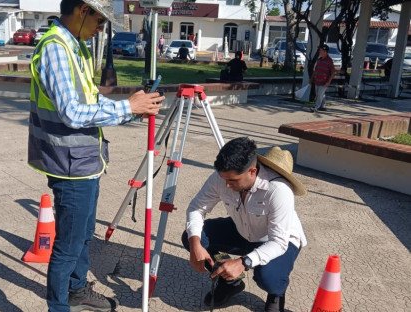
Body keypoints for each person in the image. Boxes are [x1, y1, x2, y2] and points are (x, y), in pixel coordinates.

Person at [28, 1, 165, 311]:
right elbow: (73, 113)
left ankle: (76, 291)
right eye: (100, 20)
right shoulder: (56, 49)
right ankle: (59, 306)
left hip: (84, 161)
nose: (102, 27)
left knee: (84, 236)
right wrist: (129, 107)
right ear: (81, 10)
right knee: (67, 247)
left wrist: (132, 110)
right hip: (69, 165)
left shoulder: (75, 47)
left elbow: (87, 100)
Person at [181, 137, 307, 312]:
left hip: (278, 240)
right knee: (193, 236)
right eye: (223, 178)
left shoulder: (279, 190)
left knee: (268, 278)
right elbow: (196, 208)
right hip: (242, 230)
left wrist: (243, 262)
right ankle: (230, 282)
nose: (226, 184)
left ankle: (276, 294)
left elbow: (279, 243)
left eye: (232, 181)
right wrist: (195, 244)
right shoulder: (223, 177)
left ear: (252, 171)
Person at [309, 43, 335, 112]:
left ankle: (315, 106)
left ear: (325, 52)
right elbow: (316, 70)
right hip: (317, 81)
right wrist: (311, 79)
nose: (319, 52)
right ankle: (322, 106)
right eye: (319, 51)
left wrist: (329, 81)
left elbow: (333, 72)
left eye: (321, 51)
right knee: (320, 94)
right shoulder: (319, 60)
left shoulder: (329, 61)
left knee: (319, 94)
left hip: (324, 82)